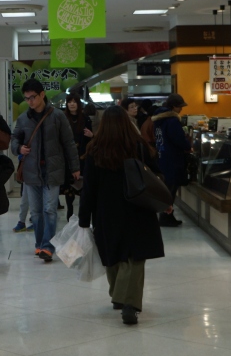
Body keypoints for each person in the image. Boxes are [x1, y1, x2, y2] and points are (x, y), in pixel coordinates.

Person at [79, 105, 165, 325]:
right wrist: (164, 202)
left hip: (107, 212)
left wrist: (84, 219)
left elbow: (88, 189)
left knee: (113, 254)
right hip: (138, 208)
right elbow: (155, 175)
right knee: (134, 256)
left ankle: (121, 298)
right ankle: (128, 302)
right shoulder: (139, 146)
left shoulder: (95, 150)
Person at [11, 79, 80, 262]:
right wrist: (19, 148)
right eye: (26, 98)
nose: (30, 101)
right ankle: (40, 244)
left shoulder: (57, 116)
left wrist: (75, 167)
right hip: (31, 171)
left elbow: (69, 143)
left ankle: (47, 247)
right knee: (35, 212)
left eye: (33, 97)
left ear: (42, 95)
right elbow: (14, 139)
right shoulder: (24, 118)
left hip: (53, 170)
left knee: (50, 209)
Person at [151, 94, 192, 227]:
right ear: (173, 106)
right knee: (171, 190)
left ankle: (166, 215)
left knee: (167, 189)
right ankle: (166, 216)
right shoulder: (172, 121)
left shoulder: (158, 120)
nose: (181, 109)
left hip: (162, 157)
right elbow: (178, 139)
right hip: (173, 158)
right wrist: (188, 146)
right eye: (180, 107)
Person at [62, 94, 94, 221]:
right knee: (69, 187)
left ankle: (82, 214)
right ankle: (69, 212)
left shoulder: (85, 119)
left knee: (82, 186)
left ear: (78, 104)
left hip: (82, 157)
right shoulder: (63, 118)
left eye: (74, 102)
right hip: (67, 158)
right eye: (69, 102)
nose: (72, 104)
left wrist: (92, 135)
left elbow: (91, 140)